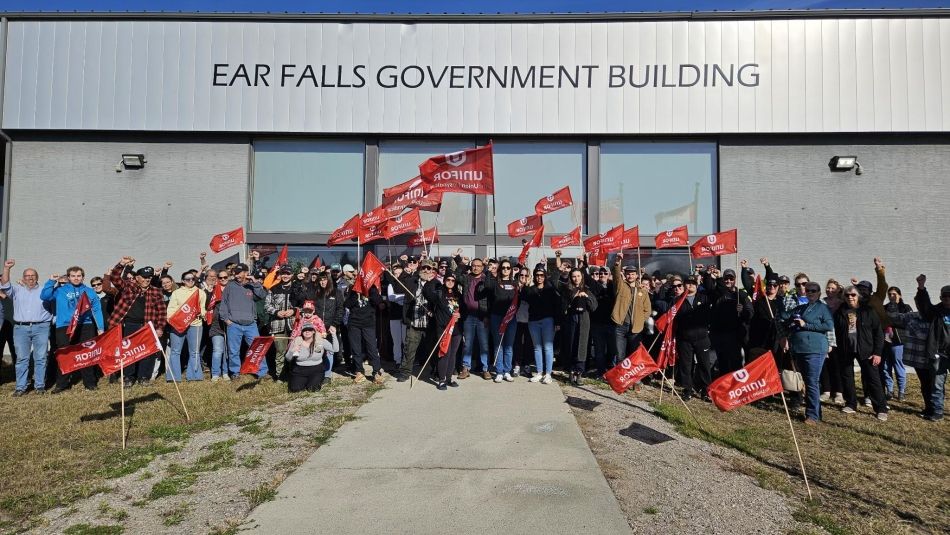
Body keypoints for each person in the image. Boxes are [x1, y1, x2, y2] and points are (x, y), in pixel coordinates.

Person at [41, 265, 105, 392]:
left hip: (85, 325)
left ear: (83, 277)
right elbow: (45, 296)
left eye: (79, 276)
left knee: (86, 353)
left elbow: (96, 310)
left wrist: (100, 327)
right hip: (65, 326)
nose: (76, 278)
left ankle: (90, 383)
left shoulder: (89, 291)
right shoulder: (60, 290)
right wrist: (51, 282)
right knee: (65, 354)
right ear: (68, 277)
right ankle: (62, 384)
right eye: (73, 276)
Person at [106, 258, 167, 386]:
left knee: (147, 352)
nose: (147, 279)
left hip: (148, 326)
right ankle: (128, 377)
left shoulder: (156, 291)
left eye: (149, 277)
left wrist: (160, 328)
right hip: (130, 325)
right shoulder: (129, 287)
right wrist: (122, 264)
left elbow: (162, 312)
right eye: (144, 277)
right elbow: (114, 278)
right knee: (129, 351)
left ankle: (143, 377)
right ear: (137, 277)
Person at [783, 281, 835, 424]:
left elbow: (828, 325)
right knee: (807, 382)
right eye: (808, 290)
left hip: (815, 349)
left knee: (812, 382)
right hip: (799, 348)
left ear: (819, 293)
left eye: (813, 290)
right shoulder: (801, 308)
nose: (810, 293)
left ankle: (812, 415)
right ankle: (816, 412)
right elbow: (784, 315)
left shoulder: (822, 308)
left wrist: (807, 325)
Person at [834, 285, 888, 421]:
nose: (850, 297)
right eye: (847, 295)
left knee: (873, 379)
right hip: (846, 350)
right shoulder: (840, 311)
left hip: (866, 350)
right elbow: (835, 331)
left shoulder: (868, 311)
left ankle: (881, 408)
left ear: (858, 296)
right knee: (847, 377)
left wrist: (877, 353)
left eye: (853, 295)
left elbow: (878, 333)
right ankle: (851, 404)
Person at [1, 259, 53, 396]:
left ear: (37, 278)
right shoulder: (16, 291)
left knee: (41, 357)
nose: (30, 278)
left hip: (41, 327)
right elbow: (5, 284)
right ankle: (21, 387)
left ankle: (39, 386)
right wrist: (7, 268)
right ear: (23, 278)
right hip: (21, 329)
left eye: (32, 275)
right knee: (21, 358)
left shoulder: (44, 291)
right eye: (27, 276)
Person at [219, 263, 268, 379]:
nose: (237, 275)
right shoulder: (229, 287)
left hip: (251, 325)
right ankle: (235, 373)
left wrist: (255, 282)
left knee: (257, 348)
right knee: (233, 351)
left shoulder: (252, 286)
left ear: (246, 273)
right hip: (234, 324)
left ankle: (262, 372)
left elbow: (262, 295)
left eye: (240, 272)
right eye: (235, 273)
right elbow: (223, 304)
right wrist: (226, 319)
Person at [914, 275, 949, 422]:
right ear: (941, 297)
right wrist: (921, 287)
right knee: (937, 384)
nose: (947, 299)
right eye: (944, 296)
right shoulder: (936, 311)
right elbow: (924, 305)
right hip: (939, 354)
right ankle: (937, 411)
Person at [610, 255, 652, 372]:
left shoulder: (643, 290)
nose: (630, 276)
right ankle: (621, 379)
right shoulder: (621, 286)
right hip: (620, 325)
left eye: (633, 273)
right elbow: (616, 275)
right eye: (628, 273)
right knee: (620, 355)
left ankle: (634, 380)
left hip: (636, 328)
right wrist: (618, 262)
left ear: (637, 275)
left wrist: (640, 320)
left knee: (634, 355)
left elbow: (647, 309)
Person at [675, 275, 713, 401]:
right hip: (684, 339)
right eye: (687, 283)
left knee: (704, 365)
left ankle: (705, 390)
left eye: (692, 283)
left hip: (702, 338)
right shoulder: (678, 300)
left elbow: (712, 289)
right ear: (684, 285)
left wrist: (708, 276)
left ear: (697, 285)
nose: (690, 285)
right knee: (686, 365)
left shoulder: (704, 298)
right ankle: (688, 390)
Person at [423, 269, 463, 390]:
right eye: (448, 280)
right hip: (443, 328)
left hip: (456, 330)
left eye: (452, 280)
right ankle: (441, 380)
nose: (450, 282)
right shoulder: (439, 293)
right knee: (444, 353)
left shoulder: (458, 294)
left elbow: (464, 309)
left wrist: (461, 315)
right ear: (444, 280)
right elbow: (427, 294)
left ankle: (449, 378)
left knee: (453, 355)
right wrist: (429, 282)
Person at [397, 259, 435, 382]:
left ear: (432, 270)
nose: (426, 270)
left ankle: (436, 371)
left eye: (428, 268)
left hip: (430, 323)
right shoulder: (411, 281)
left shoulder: (436, 284)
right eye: (424, 268)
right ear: (420, 268)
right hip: (414, 321)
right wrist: (404, 271)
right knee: (409, 348)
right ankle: (405, 372)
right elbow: (397, 286)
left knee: (433, 348)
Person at [521, 266, 560, 384]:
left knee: (548, 347)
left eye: (542, 275)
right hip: (533, 321)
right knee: (537, 348)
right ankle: (539, 372)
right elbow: (523, 298)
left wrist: (558, 322)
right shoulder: (530, 289)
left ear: (545, 276)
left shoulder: (550, 289)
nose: (539, 277)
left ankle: (548, 374)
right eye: (537, 275)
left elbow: (557, 306)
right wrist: (525, 285)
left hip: (548, 320)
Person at [165, 271, 207, 382]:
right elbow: (171, 309)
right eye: (188, 279)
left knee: (194, 351)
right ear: (183, 281)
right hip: (178, 325)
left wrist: (202, 313)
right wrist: (172, 319)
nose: (191, 281)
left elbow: (203, 308)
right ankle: (173, 377)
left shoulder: (200, 292)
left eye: (192, 279)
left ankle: (194, 375)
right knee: (175, 351)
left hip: (195, 325)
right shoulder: (176, 293)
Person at [559, 266, 598, 385]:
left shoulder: (586, 289)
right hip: (571, 319)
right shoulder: (567, 290)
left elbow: (594, 306)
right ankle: (571, 371)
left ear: (582, 277)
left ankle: (579, 372)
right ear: (571, 278)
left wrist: (586, 297)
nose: (576, 279)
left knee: (582, 345)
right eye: (574, 276)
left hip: (584, 319)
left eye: (578, 276)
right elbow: (562, 307)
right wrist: (573, 297)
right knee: (571, 344)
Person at [483, 258, 518, 383]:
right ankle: (499, 371)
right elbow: (486, 285)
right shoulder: (495, 282)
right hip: (497, 317)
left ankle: (507, 371)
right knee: (498, 345)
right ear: (500, 269)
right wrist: (488, 270)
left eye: (508, 268)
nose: (506, 270)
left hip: (511, 318)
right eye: (503, 267)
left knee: (508, 345)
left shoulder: (515, 283)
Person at [456, 256, 491, 380]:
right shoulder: (466, 279)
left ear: (482, 267)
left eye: (478, 266)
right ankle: (465, 368)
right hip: (468, 316)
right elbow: (456, 276)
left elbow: (490, 299)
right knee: (467, 344)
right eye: (474, 265)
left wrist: (487, 316)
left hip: (482, 317)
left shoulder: (486, 279)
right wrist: (461, 264)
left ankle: (485, 369)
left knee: (484, 344)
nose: (475, 267)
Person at [343, 283, 384, 384]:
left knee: (372, 348)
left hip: (368, 323)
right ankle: (359, 372)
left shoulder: (372, 288)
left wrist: (368, 293)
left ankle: (376, 372)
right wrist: (355, 295)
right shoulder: (353, 288)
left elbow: (379, 302)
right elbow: (346, 304)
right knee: (356, 348)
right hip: (354, 323)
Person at [265, 266, 297, 381]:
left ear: (292, 275)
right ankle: (280, 376)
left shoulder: (297, 288)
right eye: (283, 273)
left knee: (294, 351)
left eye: (288, 273)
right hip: (277, 325)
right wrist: (276, 312)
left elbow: (304, 304)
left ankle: (293, 375)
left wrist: (294, 310)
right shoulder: (274, 288)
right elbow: (267, 306)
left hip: (294, 325)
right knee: (280, 351)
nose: (285, 275)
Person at [286, 324, 338, 393]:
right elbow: (288, 358)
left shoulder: (320, 341)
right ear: (302, 332)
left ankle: (312, 382)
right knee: (295, 390)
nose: (307, 332)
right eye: (305, 330)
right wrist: (292, 351)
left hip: (317, 369)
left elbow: (335, 350)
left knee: (313, 389)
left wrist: (334, 335)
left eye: (310, 330)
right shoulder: (296, 341)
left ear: (313, 331)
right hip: (300, 370)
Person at [311, 272, 344, 381]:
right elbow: (311, 309)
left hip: (331, 327)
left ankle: (327, 375)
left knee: (330, 351)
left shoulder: (337, 292)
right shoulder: (316, 293)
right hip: (318, 328)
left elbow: (340, 310)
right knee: (319, 350)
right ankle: (318, 372)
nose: (322, 282)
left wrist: (335, 324)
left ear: (329, 280)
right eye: (320, 280)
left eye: (324, 279)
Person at [882, 286, 911, 401]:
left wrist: (892, 320)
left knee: (898, 365)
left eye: (894, 294)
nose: (892, 296)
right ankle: (889, 390)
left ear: (900, 295)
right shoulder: (885, 308)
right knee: (885, 366)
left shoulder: (905, 308)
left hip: (898, 341)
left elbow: (907, 322)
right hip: (885, 341)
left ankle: (901, 392)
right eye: (889, 294)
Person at [588, 264, 616, 377]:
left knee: (612, 350)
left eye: (605, 273)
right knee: (599, 351)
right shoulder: (594, 286)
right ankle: (600, 372)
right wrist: (584, 263)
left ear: (609, 275)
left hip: (611, 323)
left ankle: (612, 372)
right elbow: (586, 277)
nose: (602, 275)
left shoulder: (612, 286)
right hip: (597, 324)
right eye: (600, 273)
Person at [206, 270, 230, 382]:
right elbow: (206, 304)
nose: (223, 279)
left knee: (226, 349)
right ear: (217, 279)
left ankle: (225, 372)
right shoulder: (213, 290)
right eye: (220, 278)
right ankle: (215, 374)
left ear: (228, 277)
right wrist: (209, 292)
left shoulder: (232, 289)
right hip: (216, 325)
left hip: (230, 324)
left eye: (225, 277)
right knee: (217, 349)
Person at [384, 264, 407, 367]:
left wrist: (399, 298)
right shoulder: (391, 284)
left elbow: (409, 296)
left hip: (405, 316)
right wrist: (402, 298)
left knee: (405, 340)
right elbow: (391, 297)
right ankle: (397, 360)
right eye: (395, 274)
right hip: (394, 316)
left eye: (399, 273)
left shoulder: (407, 284)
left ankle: (406, 360)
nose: (397, 275)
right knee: (396, 340)